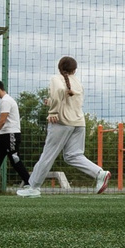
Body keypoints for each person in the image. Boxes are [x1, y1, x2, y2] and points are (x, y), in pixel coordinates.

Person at [20, 56, 108, 196]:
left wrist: (53, 111)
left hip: (61, 122)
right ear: (75, 69)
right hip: (79, 122)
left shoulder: (56, 78)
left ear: (60, 67)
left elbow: (59, 90)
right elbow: (67, 97)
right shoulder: (78, 82)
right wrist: (51, 101)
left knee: (48, 154)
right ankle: (99, 173)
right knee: (73, 155)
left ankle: (33, 187)